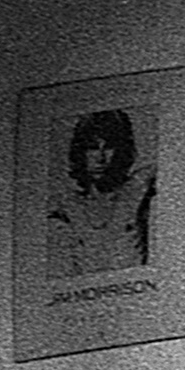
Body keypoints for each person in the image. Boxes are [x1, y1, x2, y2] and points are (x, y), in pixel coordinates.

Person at [46, 107, 154, 278]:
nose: (101, 158)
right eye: (93, 148)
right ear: (81, 153)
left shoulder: (135, 190)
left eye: (109, 147)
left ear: (121, 151)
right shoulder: (67, 204)